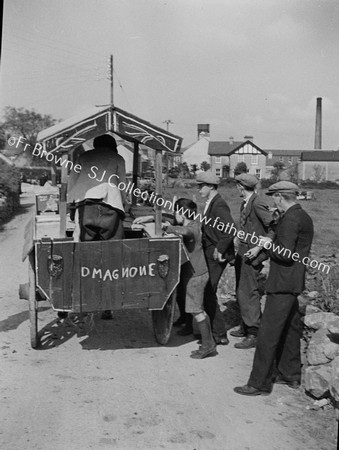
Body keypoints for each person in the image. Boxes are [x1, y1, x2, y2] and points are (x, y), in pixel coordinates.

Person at [234, 181, 314, 396]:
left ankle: (258, 383)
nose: (273, 202)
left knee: (267, 335)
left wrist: (267, 245)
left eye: (274, 198)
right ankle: (290, 375)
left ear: (280, 197)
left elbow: (285, 254)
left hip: (282, 283)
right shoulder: (302, 216)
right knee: (290, 330)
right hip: (293, 282)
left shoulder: (290, 219)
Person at [67, 133, 127, 319]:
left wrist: (70, 205)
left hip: (86, 208)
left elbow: (72, 182)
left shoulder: (82, 157)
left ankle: (86, 301)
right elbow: (123, 184)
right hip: (110, 207)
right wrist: (125, 205)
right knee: (111, 254)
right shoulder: (117, 158)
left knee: (86, 255)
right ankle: (107, 305)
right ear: (112, 146)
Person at [163, 198, 216, 359]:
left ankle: (208, 345)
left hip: (196, 275)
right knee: (196, 310)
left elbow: (187, 232)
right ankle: (208, 342)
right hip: (194, 273)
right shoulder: (192, 222)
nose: (174, 215)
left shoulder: (192, 228)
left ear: (182, 213)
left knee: (197, 311)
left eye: (176, 212)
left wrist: (170, 228)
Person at [232, 173, 274, 349]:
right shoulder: (246, 202)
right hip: (243, 250)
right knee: (242, 290)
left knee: (250, 292)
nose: (236, 188)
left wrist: (258, 247)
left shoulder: (257, 203)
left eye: (237, 186)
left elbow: (273, 227)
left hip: (252, 253)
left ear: (241, 186)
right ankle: (245, 324)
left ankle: (253, 333)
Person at [196, 170, 235, 346]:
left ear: (211, 186)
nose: (199, 190)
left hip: (216, 254)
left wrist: (220, 249)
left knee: (208, 291)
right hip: (210, 250)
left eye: (201, 186)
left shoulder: (219, 204)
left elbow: (230, 229)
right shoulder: (211, 202)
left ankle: (219, 333)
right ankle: (213, 331)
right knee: (207, 291)